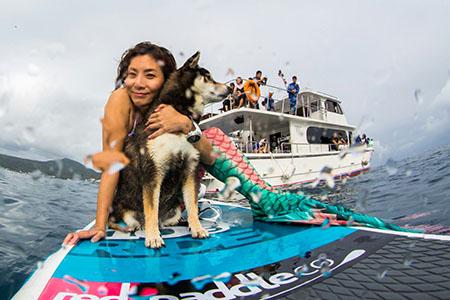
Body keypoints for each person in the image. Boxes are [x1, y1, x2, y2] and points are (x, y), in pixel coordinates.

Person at [64, 42, 216, 245]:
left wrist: (186, 124)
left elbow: (211, 157)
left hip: (173, 195)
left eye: (150, 76)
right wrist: (100, 225)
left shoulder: (176, 102)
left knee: (212, 136)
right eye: (131, 74)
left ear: (166, 80)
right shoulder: (120, 101)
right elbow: (111, 164)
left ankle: (264, 199)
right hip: (135, 194)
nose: (138, 83)